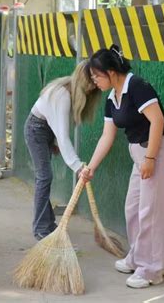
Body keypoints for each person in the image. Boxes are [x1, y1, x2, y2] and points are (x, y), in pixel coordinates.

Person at [80, 44, 164, 288]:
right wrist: (90, 167)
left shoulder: (137, 86)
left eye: (96, 75)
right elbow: (107, 136)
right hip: (139, 153)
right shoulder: (111, 99)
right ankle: (138, 257)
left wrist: (150, 159)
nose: (94, 81)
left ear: (112, 72)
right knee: (133, 208)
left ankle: (150, 270)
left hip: (158, 152)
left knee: (151, 212)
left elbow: (157, 120)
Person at [24, 60, 101, 241]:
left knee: (45, 176)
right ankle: (41, 228)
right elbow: (63, 135)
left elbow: (59, 131)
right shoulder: (62, 94)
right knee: (44, 176)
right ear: (84, 80)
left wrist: (57, 142)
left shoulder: (71, 91)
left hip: (46, 130)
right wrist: (78, 166)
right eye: (93, 80)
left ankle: (48, 223)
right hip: (36, 129)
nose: (95, 85)